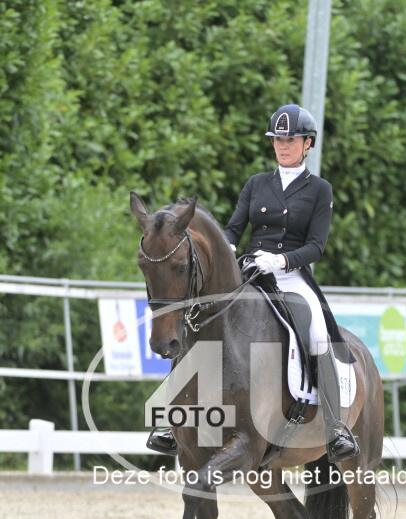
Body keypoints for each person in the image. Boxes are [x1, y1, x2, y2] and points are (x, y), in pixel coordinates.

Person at [148, 103, 359, 462]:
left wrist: (281, 260)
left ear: (307, 143)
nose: (283, 146)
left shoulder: (319, 190)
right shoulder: (257, 184)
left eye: (290, 140)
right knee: (198, 320)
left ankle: (335, 427)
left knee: (316, 329)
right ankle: (172, 420)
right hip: (251, 271)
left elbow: (316, 246)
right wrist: (227, 249)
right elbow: (233, 229)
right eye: (278, 140)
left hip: (291, 276)